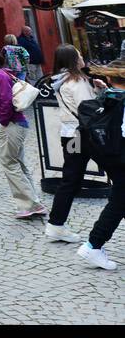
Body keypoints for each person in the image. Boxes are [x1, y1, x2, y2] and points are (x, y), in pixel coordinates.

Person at [46, 44, 106, 243]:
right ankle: (56, 225)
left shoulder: (59, 80)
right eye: (79, 55)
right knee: (116, 170)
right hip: (85, 135)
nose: (82, 57)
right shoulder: (77, 81)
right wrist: (102, 92)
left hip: (70, 135)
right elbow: (90, 109)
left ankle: (56, 223)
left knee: (70, 178)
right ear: (73, 59)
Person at [0, 45, 47, 219]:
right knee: (18, 163)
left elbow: (6, 100)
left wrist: (2, 121)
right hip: (16, 124)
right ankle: (34, 202)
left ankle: (30, 205)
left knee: (9, 163)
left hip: (12, 124)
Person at [77, 57, 125, 270]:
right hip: (121, 156)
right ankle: (93, 245)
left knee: (120, 198)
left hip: (110, 156)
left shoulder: (109, 96)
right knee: (119, 201)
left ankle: (94, 245)